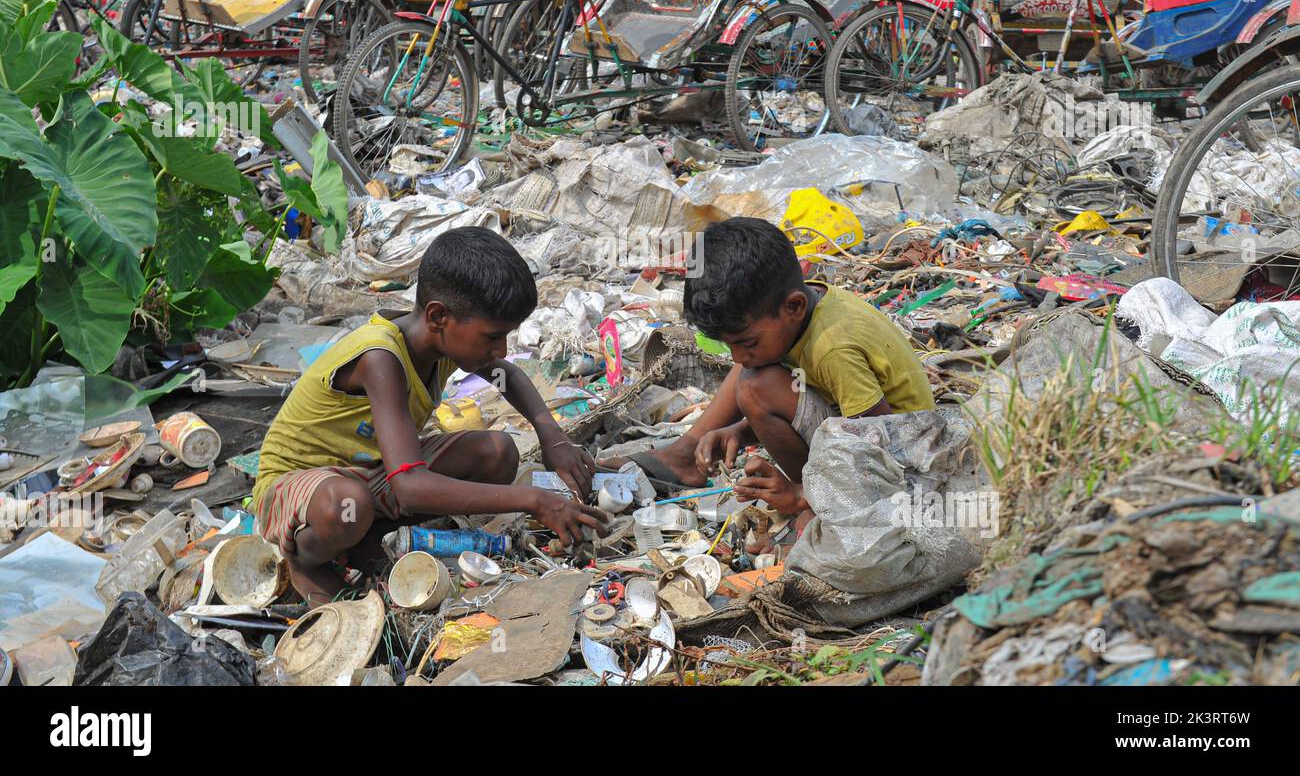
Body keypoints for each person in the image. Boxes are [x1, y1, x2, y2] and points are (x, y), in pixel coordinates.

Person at [253, 227, 607, 606]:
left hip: (370, 477)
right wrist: (533, 499)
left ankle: (366, 547)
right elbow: (409, 486)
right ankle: (306, 560)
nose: (501, 349)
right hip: (296, 491)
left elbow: (510, 376)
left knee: (499, 453)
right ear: (439, 316)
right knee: (346, 504)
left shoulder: (441, 342)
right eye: (493, 336)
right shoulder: (380, 359)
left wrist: (552, 437)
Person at [618, 217, 935, 517]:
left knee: (757, 386)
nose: (737, 358)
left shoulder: (832, 349)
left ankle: (818, 504)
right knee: (754, 372)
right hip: (870, 430)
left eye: (747, 342)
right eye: (730, 346)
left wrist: (801, 494)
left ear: (794, 306)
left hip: (908, 464)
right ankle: (688, 455)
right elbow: (825, 401)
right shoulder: (797, 307)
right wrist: (739, 433)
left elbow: (882, 444)